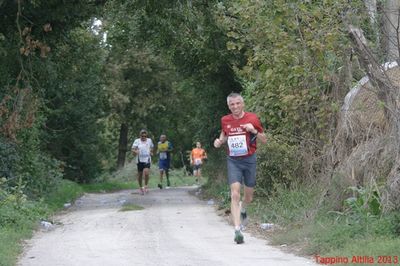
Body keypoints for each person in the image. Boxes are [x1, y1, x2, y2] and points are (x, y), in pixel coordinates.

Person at [214, 92, 267, 244]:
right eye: (232, 104)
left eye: (238, 103)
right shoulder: (225, 120)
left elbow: (264, 139)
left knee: (248, 196)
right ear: (228, 106)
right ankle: (237, 230)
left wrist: (254, 130)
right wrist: (219, 141)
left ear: (242, 104)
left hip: (250, 159)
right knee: (235, 193)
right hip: (234, 161)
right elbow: (224, 134)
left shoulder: (252, 118)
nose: (235, 106)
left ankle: (243, 209)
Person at [132, 129, 154, 195]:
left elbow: (152, 147)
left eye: (145, 136)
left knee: (146, 173)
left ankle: (146, 186)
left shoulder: (149, 140)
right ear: (140, 136)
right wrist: (136, 151)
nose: (143, 137)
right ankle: (140, 187)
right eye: (142, 136)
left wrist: (151, 152)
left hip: (147, 159)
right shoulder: (137, 141)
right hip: (139, 159)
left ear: (146, 135)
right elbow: (133, 149)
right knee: (140, 174)